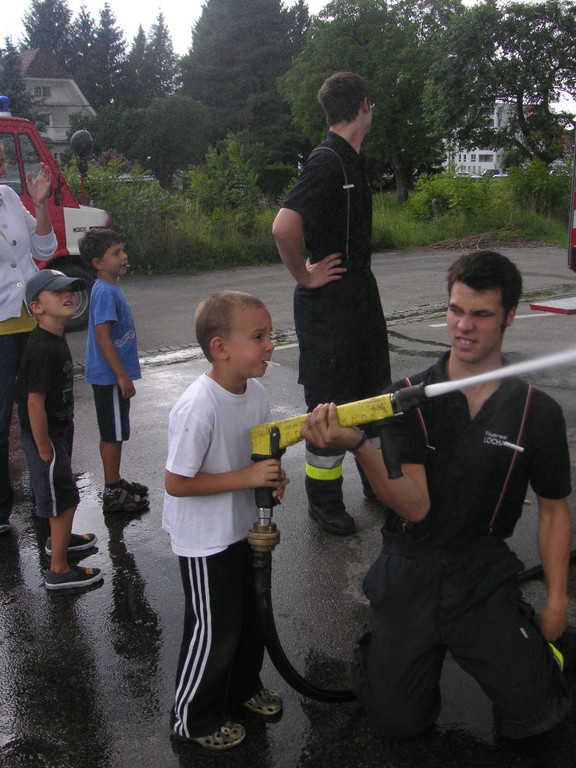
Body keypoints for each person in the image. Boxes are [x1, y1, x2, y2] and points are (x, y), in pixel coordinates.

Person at [303, 251, 572, 739]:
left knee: (535, 713)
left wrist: (555, 601)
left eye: (481, 314)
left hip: (481, 566)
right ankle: (388, 644)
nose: (464, 327)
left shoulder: (537, 412)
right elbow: (414, 505)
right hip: (411, 563)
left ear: (509, 316)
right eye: (455, 310)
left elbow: (553, 510)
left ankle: (526, 649)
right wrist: (360, 445)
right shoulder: (404, 398)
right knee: (397, 722)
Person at [163, 290, 289, 750]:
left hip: (241, 530)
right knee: (214, 629)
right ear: (220, 348)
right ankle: (192, 718)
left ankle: (241, 689)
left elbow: (258, 455)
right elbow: (176, 482)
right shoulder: (198, 406)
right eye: (258, 336)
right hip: (205, 540)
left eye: (270, 334)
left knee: (250, 618)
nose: (270, 344)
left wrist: (272, 477)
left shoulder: (255, 393)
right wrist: (248, 477)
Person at [272, 71, 390, 536]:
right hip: (330, 310)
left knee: (372, 398)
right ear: (364, 105)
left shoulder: (351, 159)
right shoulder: (326, 161)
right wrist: (305, 275)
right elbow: (283, 227)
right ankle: (323, 503)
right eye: (371, 104)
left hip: (360, 301)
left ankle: (379, 484)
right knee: (330, 406)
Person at [15, 269, 102, 589]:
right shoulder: (41, 347)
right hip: (46, 437)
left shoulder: (54, 336)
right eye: (58, 292)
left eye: (70, 290)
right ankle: (59, 569)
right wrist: (43, 449)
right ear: (36, 307)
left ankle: (60, 541)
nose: (68, 295)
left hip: (58, 431)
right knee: (63, 497)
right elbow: (33, 403)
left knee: (63, 493)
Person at [0, 143, 57, 534]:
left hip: (31, 318)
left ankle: (45, 499)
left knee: (40, 413)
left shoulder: (7, 196)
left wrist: (39, 205)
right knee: (1, 418)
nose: (2, 163)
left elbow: (43, 248)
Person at [80, 230, 149, 514]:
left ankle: (113, 480)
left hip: (108, 376)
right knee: (114, 435)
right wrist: (121, 375)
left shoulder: (107, 288)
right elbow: (102, 337)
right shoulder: (105, 291)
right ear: (97, 263)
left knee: (110, 432)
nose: (124, 257)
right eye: (116, 253)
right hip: (110, 378)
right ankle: (112, 493)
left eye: (122, 251)